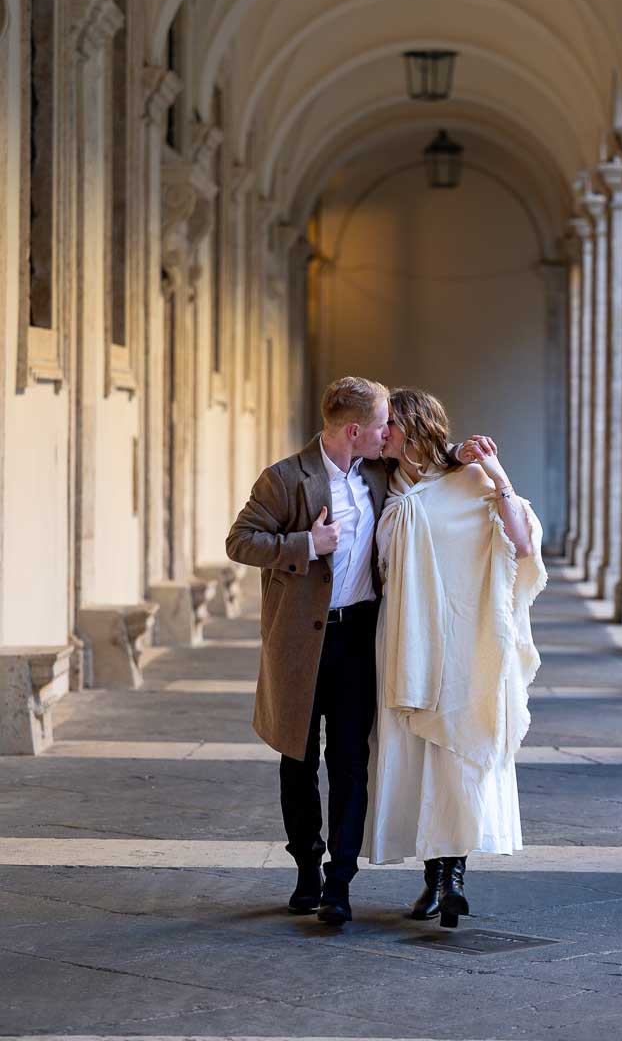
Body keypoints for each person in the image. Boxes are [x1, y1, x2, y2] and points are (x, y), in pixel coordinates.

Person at [226, 375, 475, 927]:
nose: (390, 432)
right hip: (298, 644)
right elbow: (240, 541)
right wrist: (304, 545)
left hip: (360, 637)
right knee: (297, 759)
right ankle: (307, 869)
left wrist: (460, 451)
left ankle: (340, 882)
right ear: (357, 430)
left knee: (350, 762)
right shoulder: (286, 478)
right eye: (384, 423)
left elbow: (428, 463)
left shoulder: (379, 472)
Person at [365, 388, 547, 928]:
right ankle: (434, 879)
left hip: (466, 641)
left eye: (389, 425)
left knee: (459, 752)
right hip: (405, 640)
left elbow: (523, 546)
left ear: (414, 425)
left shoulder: (472, 480)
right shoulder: (382, 483)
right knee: (418, 757)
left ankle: (453, 878)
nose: (381, 435)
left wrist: (497, 473)